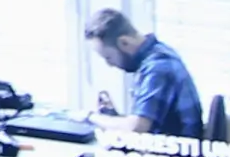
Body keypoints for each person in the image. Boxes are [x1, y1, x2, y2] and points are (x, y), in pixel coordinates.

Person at [86, 7, 205, 139]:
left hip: (170, 154)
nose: (109, 65)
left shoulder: (158, 67)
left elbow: (138, 128)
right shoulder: (158, 53)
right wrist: (112, 118)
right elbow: (145, 122)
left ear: (124, 42)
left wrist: (91, 117)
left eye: (108, 57)